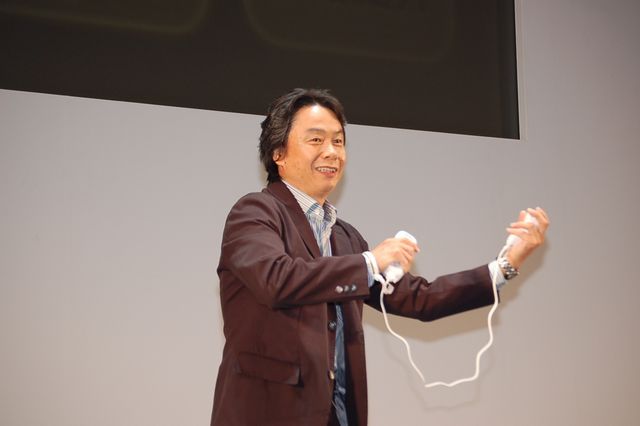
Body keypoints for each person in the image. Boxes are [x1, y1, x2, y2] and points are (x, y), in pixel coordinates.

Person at [210, 88, 549, 426]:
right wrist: (369, 262)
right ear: (279, 154)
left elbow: (420, 299)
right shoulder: (254, 212)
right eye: (316, 140)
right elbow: (278, 280)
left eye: (339, 141)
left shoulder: (345, 236)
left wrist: (507, 264)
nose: (332, 152)